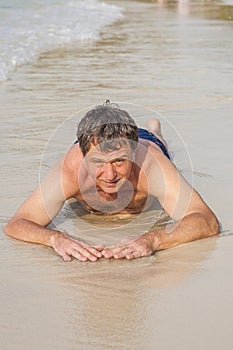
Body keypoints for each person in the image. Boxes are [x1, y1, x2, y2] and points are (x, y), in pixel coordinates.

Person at [4, 101, 220, 261]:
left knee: (159, 145)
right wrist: (55, 239)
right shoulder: (70, 169)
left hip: (147, 143)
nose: (109, 175)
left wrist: (152, 239)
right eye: (98, 162)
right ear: (84, 154)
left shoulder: (151, 166)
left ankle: (155, 131)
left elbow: (207, 221)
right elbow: (17, 224)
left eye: (119, 162)